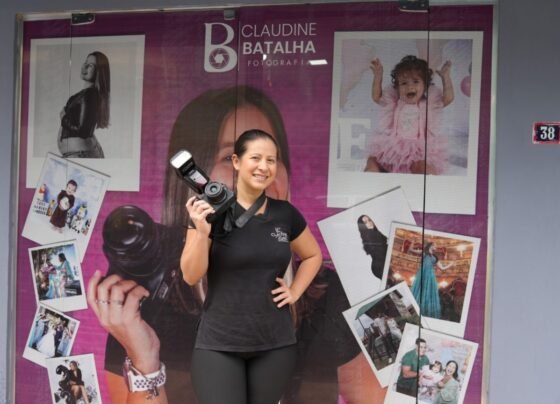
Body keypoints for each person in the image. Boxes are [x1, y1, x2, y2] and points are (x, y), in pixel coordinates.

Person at [88, 86, 368, 404]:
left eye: (270, 157)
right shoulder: (147, 305)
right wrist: (145, 358)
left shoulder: (325, 296)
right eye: (230, 157)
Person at [183, 129, 322, 403]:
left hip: (275, 343)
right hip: (218, 343)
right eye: (256, 158)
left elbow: (312, 255)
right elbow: (191, 275)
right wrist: (201, 232)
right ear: (237, 161)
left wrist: (294, 291)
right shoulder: (209, 212)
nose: (264, 167)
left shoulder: (285, 214)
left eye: (271, 160)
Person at [364, 55, 454, 174]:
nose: (410, 87)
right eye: (404, 83)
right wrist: (378, 76)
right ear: (397, 88)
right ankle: (372, 174)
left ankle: (427, 180)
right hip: (393, 147)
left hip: (418, 150)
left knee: (423, 167)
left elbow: (448, 98)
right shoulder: (394, 103)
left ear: (425, 86)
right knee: (373, 160)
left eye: (416, 81)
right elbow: (376, 97)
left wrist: (445, 77)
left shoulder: (429, 105)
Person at [57, 51, 110, 158]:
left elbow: (83, 132)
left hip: (81, 154)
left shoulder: (89, 94)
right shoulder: (89, 94)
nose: (84, 67)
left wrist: (64, 118)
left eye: (90, 66)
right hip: (81, 153)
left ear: (98, 71)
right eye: (85, 63)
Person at [411, 242, 454, 319]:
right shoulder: (424, 253)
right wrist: (412, 242)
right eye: (435, 245)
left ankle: (424, 312)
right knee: (420, 290)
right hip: (422, 273)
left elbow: (442, 268)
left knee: (428, 293)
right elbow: (411, 250)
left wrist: (450, 264)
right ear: (430, 246)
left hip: (430, 276)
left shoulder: (435, 257)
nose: (436, 247)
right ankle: (415, 310)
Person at [357, 214, 387, 280]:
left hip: (380, 266)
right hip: (380, 267)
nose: (369, 222)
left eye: (369, 220)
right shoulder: (371, 235)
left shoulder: (376, 233)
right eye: (365, 222)